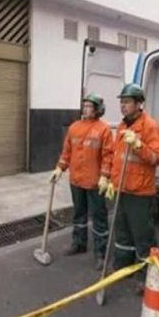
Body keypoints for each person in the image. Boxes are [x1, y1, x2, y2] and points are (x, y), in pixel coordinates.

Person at [105, 83, 159, 294]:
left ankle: (145, 273)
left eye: (127, 102)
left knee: (142, 235)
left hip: (140, 192)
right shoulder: (121, 127)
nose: (123, 106)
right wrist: (111, 181)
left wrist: (139, 146)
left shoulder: (150, 126)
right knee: (122, 232)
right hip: (122, 189)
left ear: (139, 104)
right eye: (121, 102)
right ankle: (123, 265)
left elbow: (157, 157)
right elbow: (117, 158)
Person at [51, 93, 114, 270]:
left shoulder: (104, 130)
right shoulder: (74, 127)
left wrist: (105, 176)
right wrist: (59, 168)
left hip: (95, 183)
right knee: (79, 214)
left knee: (99, 217)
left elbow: (109, 156)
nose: (86, 109)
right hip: (77, 180)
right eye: (84, 105)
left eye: (90, 106)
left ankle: (101, 253)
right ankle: (79, 243)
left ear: (98, 109)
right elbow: (66, 152)